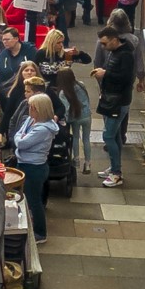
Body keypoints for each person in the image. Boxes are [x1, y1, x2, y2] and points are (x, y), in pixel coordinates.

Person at [92, 25, 135, 188]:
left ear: (114, 40)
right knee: (115, 135)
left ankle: (117, 174)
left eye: (105, 43)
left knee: (108, 136)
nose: (103, 47)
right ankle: (114, 168)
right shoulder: (114, 52)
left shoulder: (126, 55)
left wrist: (106, 74)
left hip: (118, 101)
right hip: (110, 98)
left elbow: (125, 78)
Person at [14, 93, 59, 244]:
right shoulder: (30, 120)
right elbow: (18, 135)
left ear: (39, 109)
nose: (29, 110)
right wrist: (19, 137)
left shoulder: (43, 129)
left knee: (34, 201)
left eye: (31, 107)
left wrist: (19, 138)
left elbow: (21, 143)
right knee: (29, 198)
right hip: (26, 164)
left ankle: (41, 233)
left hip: (34, 168)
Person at [54, 68, 93, 175]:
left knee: (76, 137)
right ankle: (88, 163)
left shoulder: (63, 92)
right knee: (86, 139)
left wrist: (63, 120)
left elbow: (65, 108)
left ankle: (76, 160)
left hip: (75, 117)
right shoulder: (81, 84)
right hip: (87, 115)